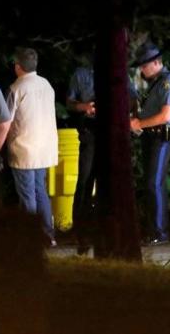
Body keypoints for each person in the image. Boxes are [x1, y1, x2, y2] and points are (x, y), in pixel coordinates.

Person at [2, 47, 59, 246]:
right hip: (44, 148)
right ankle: (48, 235)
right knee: (40, 191)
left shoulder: (16, 88)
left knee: (27, 194)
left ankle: (31, 236)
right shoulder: (47, 85)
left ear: (18, 66)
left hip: (24, 147)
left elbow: (5, 120)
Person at [129, 41, 170, 246]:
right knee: (151, 184)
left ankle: (160, 232)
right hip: (150, 137)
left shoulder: (168, 82)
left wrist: (139, 122)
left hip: (161, 137)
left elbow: (165, 115)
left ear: (156, 63)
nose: (142, 69)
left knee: (154, 183)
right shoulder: (153, 82)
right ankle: (153, 230)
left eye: (144, 65)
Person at [66, 61, 97, 255]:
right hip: (89, 131)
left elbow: (133, 98)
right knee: (84, 182)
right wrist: (82, 106)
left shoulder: (119, 71)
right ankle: (81, 233)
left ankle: (102, 229)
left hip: (111, 131)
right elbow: (69, 102)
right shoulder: (81, 74)